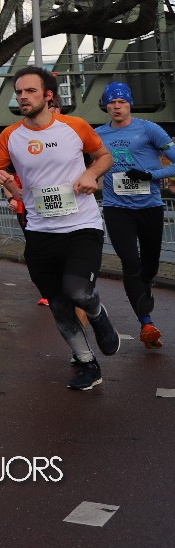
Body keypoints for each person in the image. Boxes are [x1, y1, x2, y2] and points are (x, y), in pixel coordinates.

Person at [0, 66, 119, 390]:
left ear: (48, 95)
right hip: (40, 231)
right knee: (58, 305)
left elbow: (105, 156)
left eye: (30, 91)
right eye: (19, 92)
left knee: (78, 292)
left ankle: (97, 314)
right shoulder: (10, 136)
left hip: (81, 225)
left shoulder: (75, 127)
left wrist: (91, 174)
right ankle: (87, 364)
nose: (22, 97)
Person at [95, 80, 172, 349]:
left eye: (122, 102)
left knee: (149, 267)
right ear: (106, 106)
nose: (117, 106)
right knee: (130, 263)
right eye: (112, 102)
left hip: (150, 207)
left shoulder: (149, 129)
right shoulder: (97, 134)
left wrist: (151, 175)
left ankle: (144, 294)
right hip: (116, 208)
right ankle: (146, 322)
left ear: (130, 104)